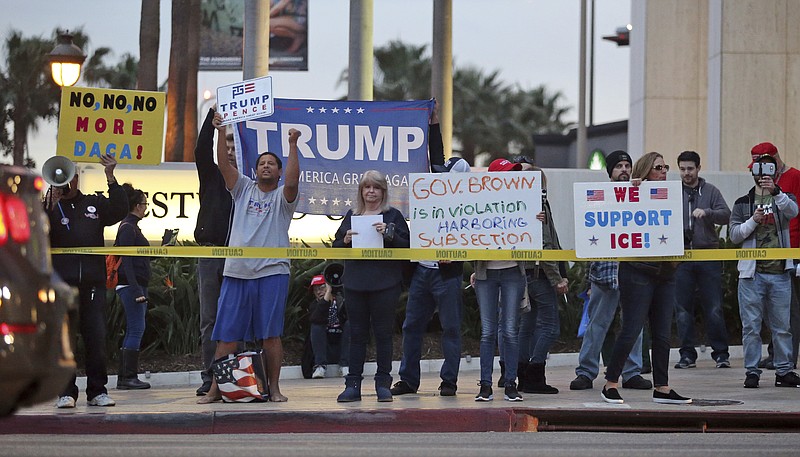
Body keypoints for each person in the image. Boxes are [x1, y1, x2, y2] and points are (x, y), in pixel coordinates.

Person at [197, 115, 300, 404]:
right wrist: (220, 132)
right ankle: (215, 390)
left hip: (272, 272)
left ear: (278, 172)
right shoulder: (242, 189)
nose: (266, 165)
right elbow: (223, 165)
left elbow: (293, 180)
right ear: (254, 171)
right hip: (238, 272)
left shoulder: (283, 197)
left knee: (271, 336)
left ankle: (274, 388)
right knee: (226, 337)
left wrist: (292, 145)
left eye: (272, 163)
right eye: (261, 163)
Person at [601, 152, 692, 405]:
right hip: (637, 270)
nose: (664, 172)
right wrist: (633, 190)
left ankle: (661, 387)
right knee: (631, 329)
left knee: (663, 334)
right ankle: (610, 384)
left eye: (665, 167)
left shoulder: (672, 195)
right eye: (658, 168)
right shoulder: (633, 192)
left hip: (665, 272)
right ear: (646, 172)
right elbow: (611, 212)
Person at [47, 154, 128, 408]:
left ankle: (97, 391)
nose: (66, 184)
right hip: (62, 286)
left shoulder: (93, 204)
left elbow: (120, 209)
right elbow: (34, 234)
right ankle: (66, 392)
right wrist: (48, 207)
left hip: (92, 283)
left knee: (95, 337)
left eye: (70, 178)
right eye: (61, 180)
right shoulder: (48, 207)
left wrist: (111, 177)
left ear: (77, 178)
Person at [570, 150, 652, 391]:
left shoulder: (641, 195)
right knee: (596, 325)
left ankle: (632, 372)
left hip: (634, 272)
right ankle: (586, 372)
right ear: (610, 172)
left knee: (633, 326)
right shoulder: (598, 197)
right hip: (604, 273)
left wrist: (641, 189)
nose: (624, 169)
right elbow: (588, 234)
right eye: (619, 166)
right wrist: (588, 276)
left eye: (627, 165)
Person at [391, 157, 470, 398]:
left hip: (447, 273)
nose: (439, 177)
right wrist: (433, 123)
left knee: (451, 328)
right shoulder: (428, 197)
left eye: (445, 173)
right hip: (422, 270)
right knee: (411, 326)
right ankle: (408, 379)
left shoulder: (470, 205)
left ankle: (449, 381)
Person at [333, 170, 410, 402]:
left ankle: (383, 384)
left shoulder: (393, 215)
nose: (371, 192)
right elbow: (335, 246)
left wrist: (391, 236)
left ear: (383, 192)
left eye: (376, 188)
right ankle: (353, 384)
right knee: (356, 334)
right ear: (361, 191)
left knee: (383, 334)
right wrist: (345, 241)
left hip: (385, 284)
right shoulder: (352, 214)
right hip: (356, 283)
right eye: (367, 187)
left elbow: (408, 248)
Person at [729, 152, 800, 388]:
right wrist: (753, 221)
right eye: (759, 172)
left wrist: (776, 192)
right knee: (751, 327)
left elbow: (793, 212)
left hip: (780, 273)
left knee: (782, 327)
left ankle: (784, 371)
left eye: (769, 171)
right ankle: (752, 371)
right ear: (752, 174)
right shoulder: (743, 202)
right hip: (752, 275)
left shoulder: (784, 198)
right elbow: (734, 235)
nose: (763, 177)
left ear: (775, 173)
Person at [471, 158, 527, 403]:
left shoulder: (524, 202)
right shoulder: (478, 203)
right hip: (487, 273)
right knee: (488, 331)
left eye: (512, 174)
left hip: (513, 270)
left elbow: (538, 234)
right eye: (504, 174)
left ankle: (510, 383)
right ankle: (485, 385)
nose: (509, 178)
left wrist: (539, 220)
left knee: (511, 331)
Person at [673, 150, 732, 369]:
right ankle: (687, 354)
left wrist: (707, 212)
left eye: (690, 169)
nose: (686, 173)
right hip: (681, 257)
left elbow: (727, 215)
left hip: (707, 254)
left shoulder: (710, 191)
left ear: (698, 168)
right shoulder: (671, 192)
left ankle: (721, 354)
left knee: (714, 307)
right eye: (682, 169)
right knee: (682, 309)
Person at [193, 107, 236, 396]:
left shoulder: (247, 182)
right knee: (210, 318)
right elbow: (200, 150)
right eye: (227, 146)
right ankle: (210, 376)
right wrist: (211, 120)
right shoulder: (210, 176)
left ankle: (235, 375)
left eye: (235, 147)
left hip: (239, 255)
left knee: (237, 317)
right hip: (210, 253)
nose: (230, 151)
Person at [517, 166, 569, 395]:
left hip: (522, 275)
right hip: (540, 276)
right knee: (550, 327)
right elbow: (546, 246)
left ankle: (521, 374)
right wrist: (557, 278)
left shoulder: (518, 207)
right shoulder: (539, 206)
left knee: (526, 328)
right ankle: (534, 375)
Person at [750, 142, 800, 370]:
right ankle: (776, 355)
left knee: (790, 312)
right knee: (775, 314)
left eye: (764, 167)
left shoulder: (794, 178)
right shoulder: (759, 189)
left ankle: (787, 360)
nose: (761, 174)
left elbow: (793, 211)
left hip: (792, 251)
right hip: (769, 257)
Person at [114, 184, 153, 390]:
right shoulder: (128, 227)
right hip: (131, 286)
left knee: (134, 328)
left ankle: (125, 377)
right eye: (145, 203)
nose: (146, 207)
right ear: (138, 206)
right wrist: (136, 289)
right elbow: (127, 259)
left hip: (133, 284)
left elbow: (140, 258)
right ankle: (128, 377)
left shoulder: (131, 227)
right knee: (137, 328)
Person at [307, 275, 349, 379]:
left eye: (321, 288)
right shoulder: (314, 305)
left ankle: (345, 365)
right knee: (316, 326)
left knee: (350, 325)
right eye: (315, 290)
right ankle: (320, 366)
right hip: (324, 349)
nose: (318, 292)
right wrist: (326, 299)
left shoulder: (341, 302)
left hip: (343, 347)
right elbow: (316, 319)